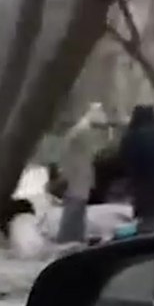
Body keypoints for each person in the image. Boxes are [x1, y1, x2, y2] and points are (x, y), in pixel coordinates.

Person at [119, 105, 154, 234]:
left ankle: (146, 238)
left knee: (146, 218)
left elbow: (124, 158)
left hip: (142, 184)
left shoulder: (131, 135)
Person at [56, 103, 110, 243]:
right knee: (74, 207)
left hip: (79, 175)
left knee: (77, 207)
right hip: (78, 175)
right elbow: (86, 153)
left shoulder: (81, 130)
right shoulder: (83, 131)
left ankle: (74, 236)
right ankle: (67, 236)